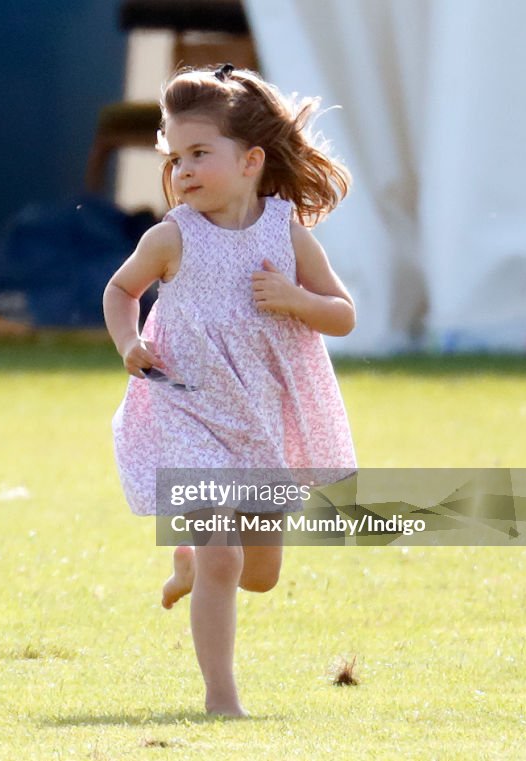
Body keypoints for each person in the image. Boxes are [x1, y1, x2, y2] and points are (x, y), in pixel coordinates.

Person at [103, 63, 357, 717]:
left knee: (261, 573)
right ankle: (221, 697)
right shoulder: (170, 237)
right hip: (187, 405)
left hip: (259, 415)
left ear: (249, 161)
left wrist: (297, 299)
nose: (182, 170)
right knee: (225, 558)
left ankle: (188, 561)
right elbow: (120, 290)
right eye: (174, 156)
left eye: (199, 154)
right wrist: (129, 342)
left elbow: (343, 313)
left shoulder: (284, 233)